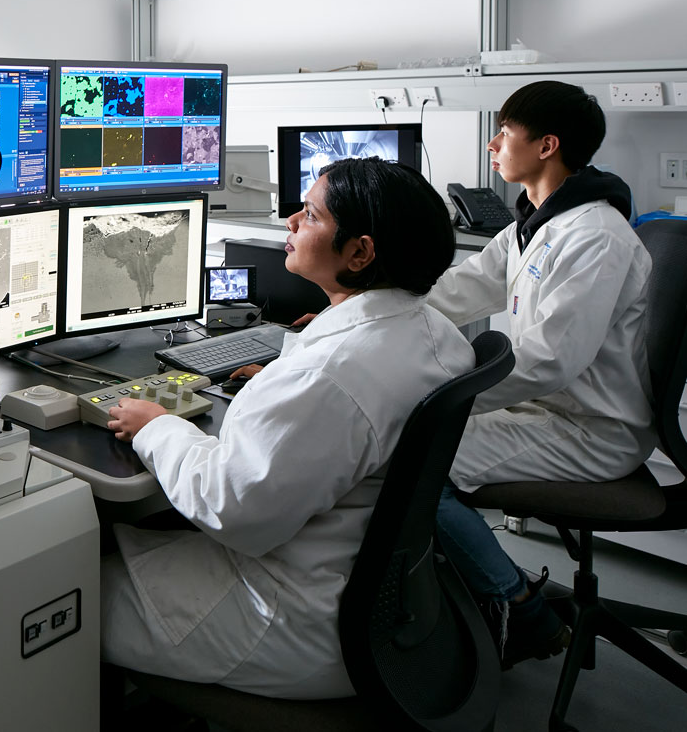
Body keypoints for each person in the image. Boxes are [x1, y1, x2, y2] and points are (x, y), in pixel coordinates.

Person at [101, 158, 474, 698]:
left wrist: (156, 424)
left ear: (360, 252)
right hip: (379, 599)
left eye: (311, 214)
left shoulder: (331, 375)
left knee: (60, 593)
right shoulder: (431, 329)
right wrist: (275, 381)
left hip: (289, 617)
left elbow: (231, 505)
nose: (292, 221)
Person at [427, 80, 655, 668]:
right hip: (550, 412)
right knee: (404, 444)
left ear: (547, 145)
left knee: (409, 465)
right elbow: (461, 288)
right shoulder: (535, 223)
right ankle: (479, 589)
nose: (491, 145)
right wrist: (361, 312)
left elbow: (549, 359)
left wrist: (440, 393)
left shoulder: (595, 235)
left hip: (590, 431)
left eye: (504, 132)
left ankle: (520, 608)